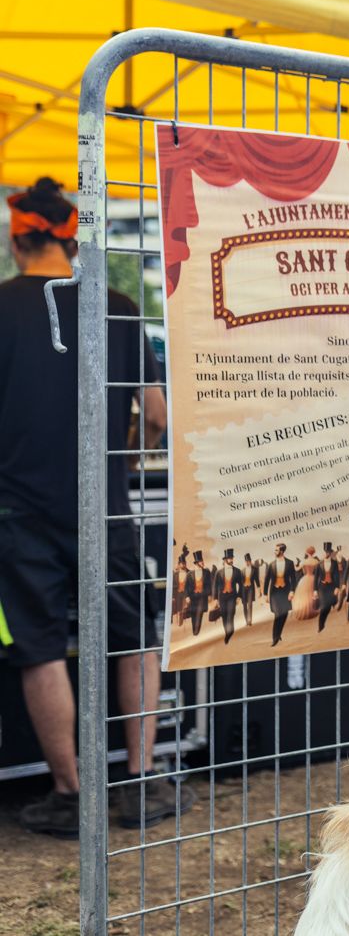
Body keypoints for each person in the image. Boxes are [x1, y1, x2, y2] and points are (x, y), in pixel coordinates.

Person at [0, 176, 192, 835]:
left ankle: (70, 793)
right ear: (72, 237)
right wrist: (127, 460)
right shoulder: (115, 305)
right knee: (135, 635)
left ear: (16, 238)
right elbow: (159, 415)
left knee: (40, 646)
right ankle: (140, 781)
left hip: (19, 510)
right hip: (107, 505)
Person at [264, 543, 295, 647]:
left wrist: (292, 591)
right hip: (275, 593)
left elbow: (293, 579)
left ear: (282, 551)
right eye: (275, 550)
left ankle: (279, 633)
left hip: (285, 592)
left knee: (284, 614)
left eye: (276, 550)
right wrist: (265, 594)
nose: (275, 552)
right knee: (278, 615)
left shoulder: (290, 563)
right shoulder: (271, 564)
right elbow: (267, 580)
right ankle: (275, 638)